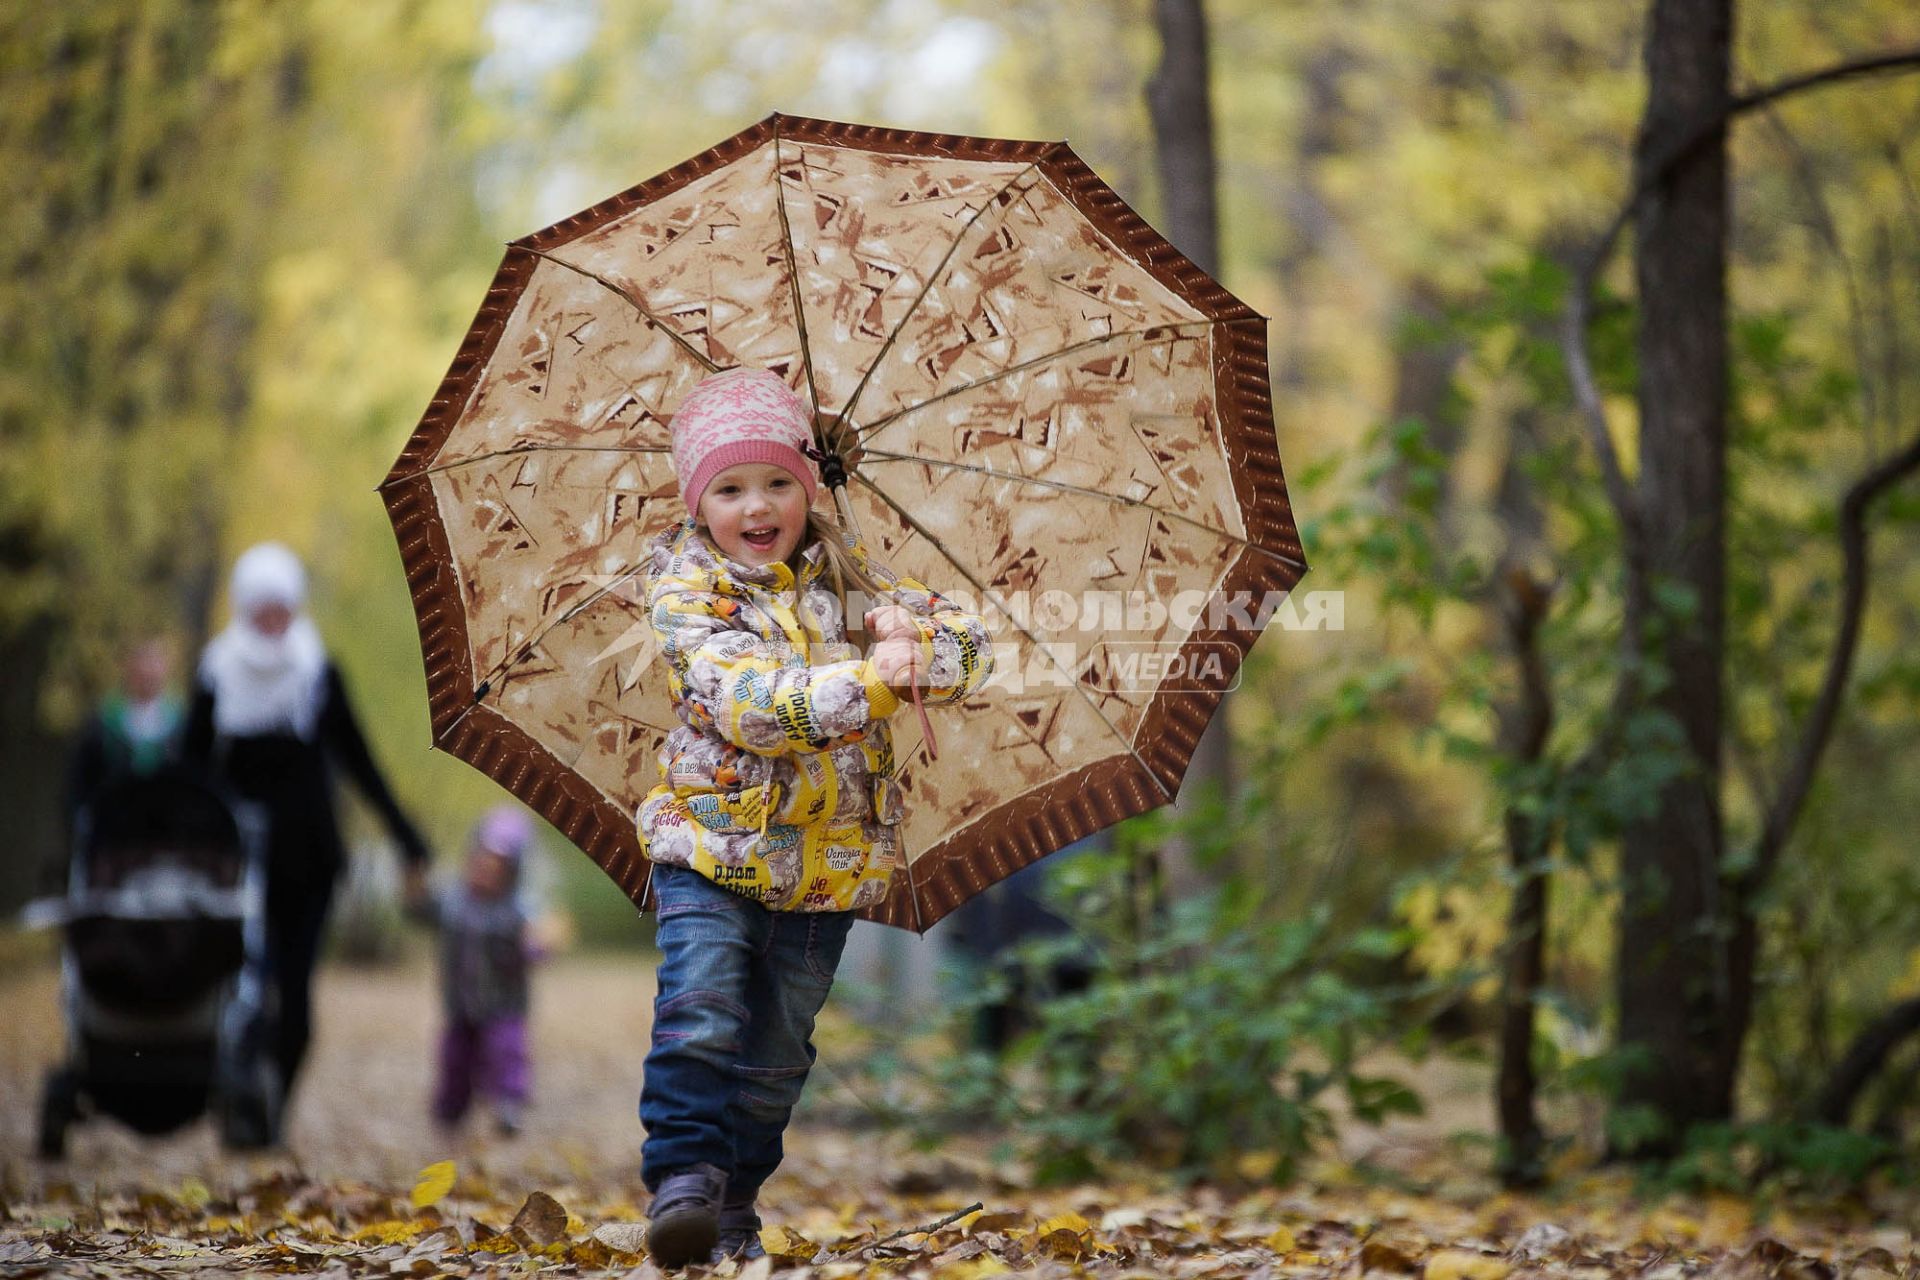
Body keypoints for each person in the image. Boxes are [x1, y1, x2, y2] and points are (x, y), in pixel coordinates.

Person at [635, 367, 993, 1268]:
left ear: (808, 485)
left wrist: (921, 647)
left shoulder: (855, 577)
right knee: (702, 1010)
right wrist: (873, 683)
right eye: (729, 488)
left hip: (829, 865)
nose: (757, 507)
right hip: (709, 849)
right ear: (698, 502)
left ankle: (733, 1202)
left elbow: (972, 646)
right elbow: (751, 706)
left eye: (777, 483)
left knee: (777, 1056)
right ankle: (681, 1179)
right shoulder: (687, 596)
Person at [183, 542, 431, 1134]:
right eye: (262, 611)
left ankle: (270, 1109)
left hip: (309, 859)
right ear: (245, 610)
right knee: (248, 988)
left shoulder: (318, 672)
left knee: (295, 1002)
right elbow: (190, 768)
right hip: (237, 861)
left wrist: (406, 838)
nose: (273, 622)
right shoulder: (217, 672)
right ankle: (240, 1096)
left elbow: (358, 761)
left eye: (282, 610)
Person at [414, 805, 547, 1137]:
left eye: (496, 868)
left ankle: (508, 1103)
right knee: (455, 1057)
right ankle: (450, 1107)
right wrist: (414, 892)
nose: (485, 872)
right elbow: (425, 912)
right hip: (460, 1000)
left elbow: (534, 945)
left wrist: (538, 946)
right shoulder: (454, 901)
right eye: (480, 864)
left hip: (504, 1002)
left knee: (507, 1052)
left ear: (512, 872)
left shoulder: (518, 911)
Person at [53, 636, 185, 894]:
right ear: (129, 669)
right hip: (111, 838)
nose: (147, 674)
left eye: (154, 665)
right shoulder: (102, 725)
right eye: (141, 665)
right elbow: (77, 786)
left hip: (166, 841)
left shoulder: (180, 727)